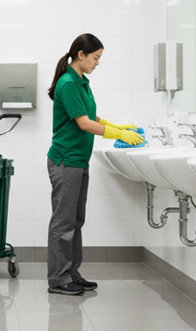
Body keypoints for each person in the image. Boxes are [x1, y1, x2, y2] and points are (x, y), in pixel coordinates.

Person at [45, 34, 144, 295]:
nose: (97, 63)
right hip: (65, 160)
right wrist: (118, 135)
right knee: (63, 222)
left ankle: (71, 272)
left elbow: (91, 115)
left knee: (76, 220)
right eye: (96, 58)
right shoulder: (68, 83)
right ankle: (58, 278)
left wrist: (116, 125)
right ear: (81, 55)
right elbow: (84, 124)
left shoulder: (81, 83)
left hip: (78, 160)